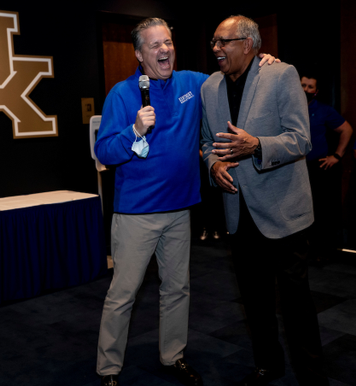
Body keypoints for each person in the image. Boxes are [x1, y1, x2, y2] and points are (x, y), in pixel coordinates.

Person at [94, 17, 277, 386]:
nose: (165, 50)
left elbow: (233, 69)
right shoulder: (121, 93)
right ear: (139, 54)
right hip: (136, 214)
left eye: (168, 43)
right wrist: (134, 131)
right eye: (155, 45)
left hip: (180, 211)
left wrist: (260, 59)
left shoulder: (194, 84)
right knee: (123, 294)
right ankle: (109, 369)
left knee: (177, 289)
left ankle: (172, 355)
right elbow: (104, 152)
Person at [200, 15, 329, 386]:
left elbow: (300, 138)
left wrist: (257, 145)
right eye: (213, 42)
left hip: (283, 212)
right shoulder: (209, 87)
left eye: (224, 41)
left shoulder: (282, 74)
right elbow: (208, 142)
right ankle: (268, 365)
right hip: (238, 214)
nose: (216, 49)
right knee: (255, 303)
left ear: (249, 44)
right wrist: (213, 166)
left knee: (296, 306)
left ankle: (312, 375)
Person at [300, 73, 353, 264]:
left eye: (310, 87)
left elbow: (346, 130)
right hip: (293, 169)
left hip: (316, 168)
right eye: (303, 85)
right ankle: (299, 251)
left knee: (318, 211)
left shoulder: (323, 110)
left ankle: (319, 252)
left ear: (316, 91)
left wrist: (337, 156)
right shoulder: (287, 108)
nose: (305, 90)